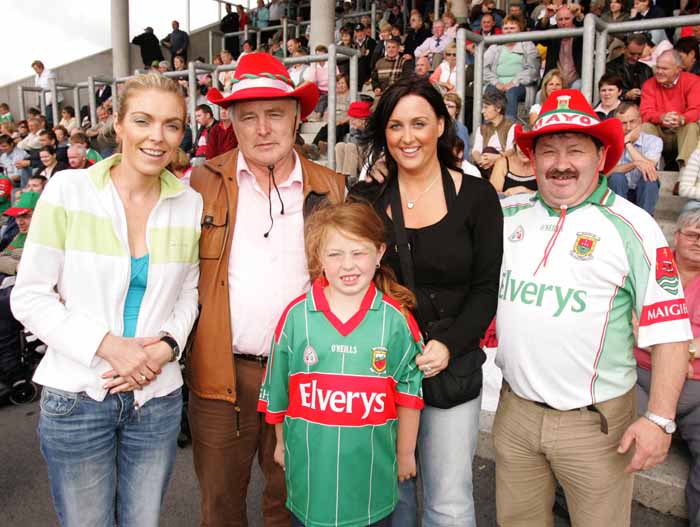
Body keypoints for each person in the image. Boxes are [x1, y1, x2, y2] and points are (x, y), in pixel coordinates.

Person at [10, 71, 202, 527]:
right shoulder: (67, 191)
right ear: (117, 125)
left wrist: (165, 347)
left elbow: (189, 293)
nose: (157, 137)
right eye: (143, 121)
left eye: (171, 125)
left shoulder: (189, 203)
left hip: (157, 397)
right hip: (77, 397)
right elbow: (30, 296)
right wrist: (110, 346)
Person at [494, 88, 692, 526]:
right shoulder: (508, 215)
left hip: (597, 427)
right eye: (548, 151)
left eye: (575, 150)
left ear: (601, 158)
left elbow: (671, 331)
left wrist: (659, 419)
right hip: (516, 415)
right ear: (533, 160)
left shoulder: (634, 226)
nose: (561, 163)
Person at [187, 53, 346, 527]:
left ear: (298, 117)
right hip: (222, 375)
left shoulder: (333, 188)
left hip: (305, 373)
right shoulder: (199, 184)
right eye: (248, 116)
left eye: (275, 114)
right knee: (220, 507)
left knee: (292, 502)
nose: (262, 129)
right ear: (231, 122)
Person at [350, 76, 503, 527]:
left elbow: (485, 288)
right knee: (390, 495)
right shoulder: (368, 197)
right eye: (395, 126)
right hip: (380, 368)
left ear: (440, 124)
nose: (407, 137)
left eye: (419, 123)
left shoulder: (477, 197)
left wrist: (448, 344)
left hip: (448, 366)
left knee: (449, 502)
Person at [258, 201, 424, 527]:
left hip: (372, 483)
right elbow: (278, 390)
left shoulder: (395, 321)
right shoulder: (296, 318)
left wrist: (405, 453)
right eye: (335, 254)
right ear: (319, 258)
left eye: (358, 253)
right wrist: (280, 442)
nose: (347, 265)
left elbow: (409, 394)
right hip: (311, 483)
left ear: (379, 253)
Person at [635, 209, 700, 526]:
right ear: (676, 236)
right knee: (602, 430)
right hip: (640, 374)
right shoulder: (649, 268)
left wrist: (672, 351)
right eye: (692, 234)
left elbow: (644, 332)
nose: (699, 242)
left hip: (696, 388)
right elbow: (630, 323)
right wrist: (678, 355)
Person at [640, 50, 700, 168]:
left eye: (664, 69)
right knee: (645, 126)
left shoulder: (693, 81)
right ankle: (649, 168)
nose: (659, 72)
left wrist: (682, 118)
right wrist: (661, 118)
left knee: (691, 126)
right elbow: (645, 113)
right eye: (657, 68)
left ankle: (686, 170)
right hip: (660, 130)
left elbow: (696, 110)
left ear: (678, 69)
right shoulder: (649, 84)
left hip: (682, 130)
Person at [607, 102, 662, 216]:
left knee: (650, 179)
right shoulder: (609, 143)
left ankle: (646, 221)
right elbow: (606, 173)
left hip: (642, 191)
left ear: (640, 121)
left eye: (632, 122)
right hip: (618, 191)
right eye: (623, 123)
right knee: (616, 177)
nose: (628, 127)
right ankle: (619, 218)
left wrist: (627, 143)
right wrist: (635, 163)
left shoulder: (654, 141)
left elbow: (649, 167)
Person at [483, 15, 541, 121]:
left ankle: (509, 127)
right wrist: (496, 83)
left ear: (520, 29)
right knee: (490, 92)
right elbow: (483, 68)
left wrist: (514, 82)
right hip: (497, 83)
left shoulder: (528, 45)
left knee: (511, 93)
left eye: (512, 28)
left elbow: (533, 70)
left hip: (520, 84)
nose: (508, 31)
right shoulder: (495, 47)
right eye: (506, 28)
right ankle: (488, 126)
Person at [472, 90, 515, 179]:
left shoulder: (512, 127)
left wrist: (496, 157)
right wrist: (481, 160)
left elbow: (511, 151)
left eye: (486, 107)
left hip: (504, 165)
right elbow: (476, 151)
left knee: (489, 150)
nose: (482, 111)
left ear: (498, 108)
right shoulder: (481, 129)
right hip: (484, 165)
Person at [539, 6, 583, 91]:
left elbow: (591, 30)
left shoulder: (580, 32)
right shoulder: (554, 33)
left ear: (573, 18)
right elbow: (539, 38)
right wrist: (546, 17)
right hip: (556, 81)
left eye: (567, 19)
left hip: (577, 80)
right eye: (560, 19)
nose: (563, 22)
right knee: (538, 95)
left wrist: (579, 15)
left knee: (576, 88)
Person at [605, 33, 653, 105]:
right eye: (632, 54)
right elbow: (606, 93)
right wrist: (625, 95)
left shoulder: (647, 69)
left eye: (639, 54)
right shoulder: (610, 68)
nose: (635, 58)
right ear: (624, 49)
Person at [0, 192, 39, 277]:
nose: (19, 222)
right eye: (17, 217)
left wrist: (15, 255)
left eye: (26, 216)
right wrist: (17, 266)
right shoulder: (21, 234)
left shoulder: (48, 235)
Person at [303, 45, 340, 121]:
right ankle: (318, 113)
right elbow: (312, 80)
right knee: (319, 97)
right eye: (317, 55)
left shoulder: (332, 65)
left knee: (324, 97)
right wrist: (314, 66)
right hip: (319, 90)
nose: (319, 57)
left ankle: (318, 114)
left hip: (331, 90)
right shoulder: (313, 66)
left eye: (321, 54)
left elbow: (337, 78)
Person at [32, 60, 62, 126]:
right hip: (43, 98)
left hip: (52, 99)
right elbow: (37, 87)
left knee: (50, 118)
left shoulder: (49, 73)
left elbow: (52, 86)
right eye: (34, 69)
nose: (35, 70)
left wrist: (52, 99)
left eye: (36, 68)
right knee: (45, 118)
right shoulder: (36, 76)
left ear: (41, 67)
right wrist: (38, 101)